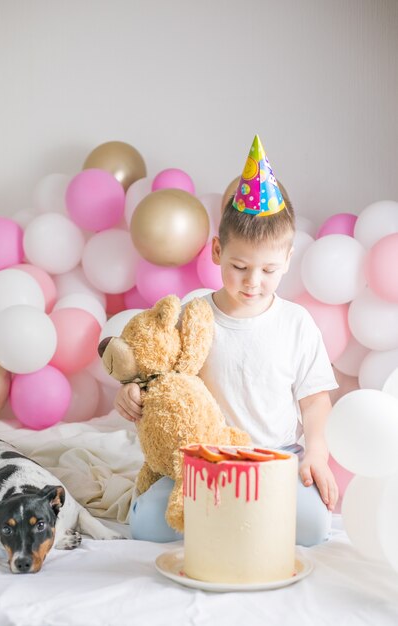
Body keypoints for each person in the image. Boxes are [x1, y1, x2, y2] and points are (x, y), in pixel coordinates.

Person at [115, 135, 339, 546]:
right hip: (203, 458)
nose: (254, 282)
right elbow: (160, 373)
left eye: (269, 270)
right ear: (217, 251)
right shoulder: (194, 310)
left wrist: (318, 452)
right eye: (239, 266)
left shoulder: (296, 322)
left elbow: (314, 398)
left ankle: (238, 511)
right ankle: (220, 507)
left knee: (312, 529)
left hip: (276, 457)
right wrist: (132, 392)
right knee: (147, 527)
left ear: (288, 259)